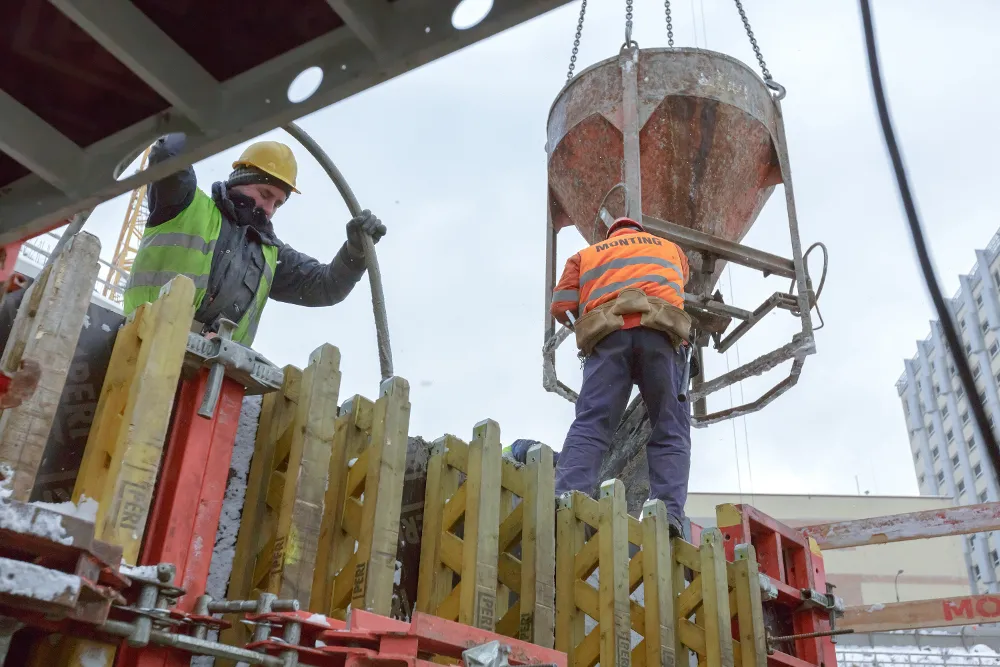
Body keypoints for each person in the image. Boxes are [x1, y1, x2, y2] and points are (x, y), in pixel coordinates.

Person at [123, 133, 386, 345]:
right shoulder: (183, 203)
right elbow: (168, 153)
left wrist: (355, 251)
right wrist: (215, 112)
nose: (270, 209)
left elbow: (326, 286)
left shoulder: (270, 253)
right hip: (141, 344)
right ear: (240, 179)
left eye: (278, 204)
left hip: (209, 379)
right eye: (265, 193)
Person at [550, 217, 692, 536]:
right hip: (661, 337)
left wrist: (588, 314)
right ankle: (667, 514)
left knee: (592, 423)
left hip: (609, 338)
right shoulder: (671, 249)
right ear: (640, 231)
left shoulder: (586, 256)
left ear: (609, 234)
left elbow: (560, 306)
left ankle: (567, 496)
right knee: (670, 428)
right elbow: (682, 280)